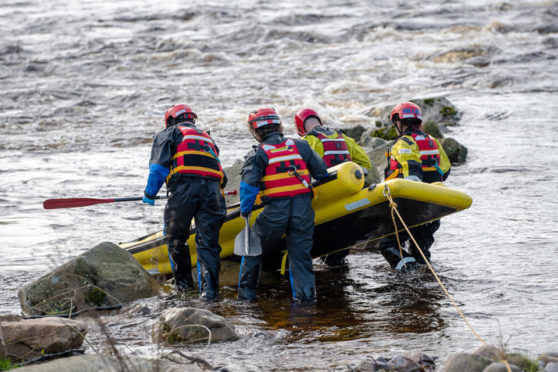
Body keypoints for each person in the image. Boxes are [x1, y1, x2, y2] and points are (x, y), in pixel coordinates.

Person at [238, 107, 328, 302]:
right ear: (278, 125)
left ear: (256, 131)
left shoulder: (257, 154)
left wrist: (244, 211)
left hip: (274, 213)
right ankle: (306, 302)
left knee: (253, 251)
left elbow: (247, 187)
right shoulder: (301, 146)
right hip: (303, 211)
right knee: (301, 258)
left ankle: (246, 299)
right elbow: (321, 172)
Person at [142, 104, 227, 300]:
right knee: (208, 243)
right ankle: (210, 294)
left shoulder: (169, 133)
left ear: (170, 120)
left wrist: (150, 193)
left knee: (175, 238)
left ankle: (184, 288)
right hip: (213, 193)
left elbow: (158, 168)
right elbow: (220, 174)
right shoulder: (207, 138)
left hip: (184, 191)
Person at [294, 108, 373, 267]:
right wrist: (355, 177)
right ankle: (337, 262)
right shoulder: (344, 138)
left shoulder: (308, 141)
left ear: (300, 128)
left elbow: (304, 171)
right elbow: (366, 164)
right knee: (339, 251)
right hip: (348, 194)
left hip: (324, 197)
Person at [379, 101, 451, 272]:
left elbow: (412, 173)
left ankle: (408, 275)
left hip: (410, 208)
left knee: (388, 245)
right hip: (433, 208)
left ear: (398, 122)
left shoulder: (403, 143)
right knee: (421, 250)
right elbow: (446, 170)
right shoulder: (433, 141)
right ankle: (424, 276)